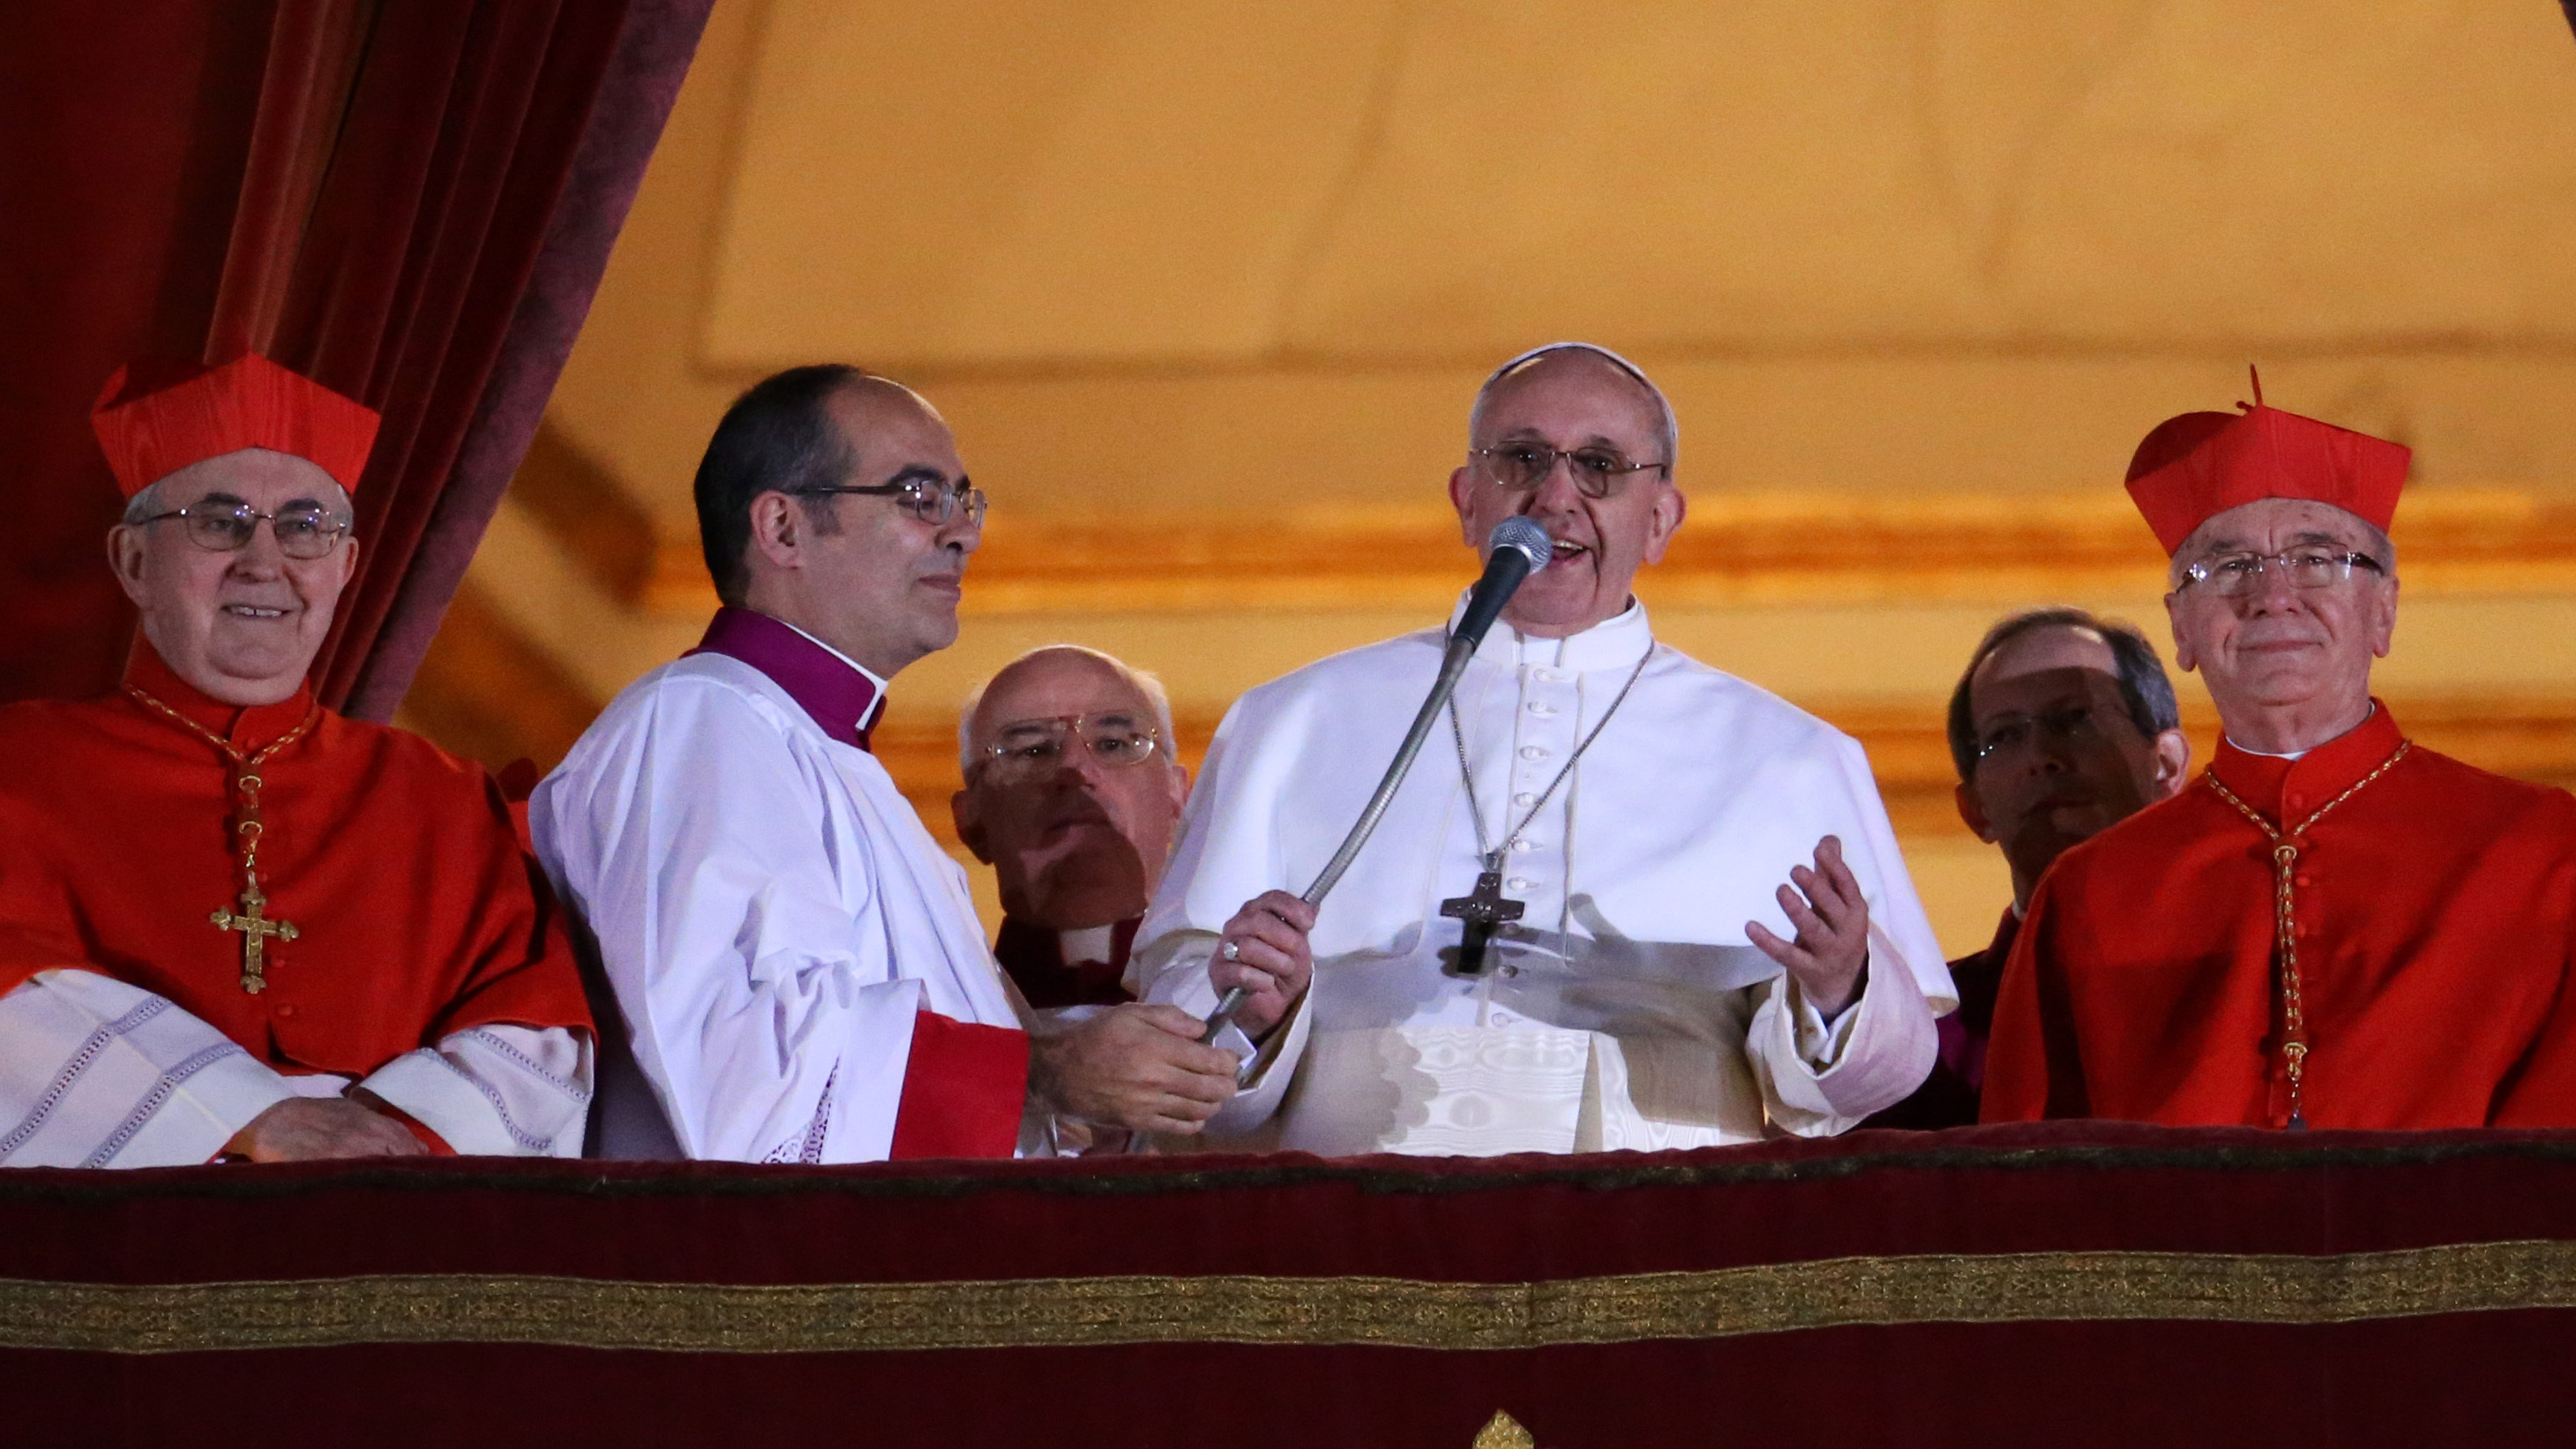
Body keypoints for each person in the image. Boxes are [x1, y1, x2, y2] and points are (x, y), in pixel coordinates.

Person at [1137, 342, 1951, 1155]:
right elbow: (1180, 1030)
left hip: (1663, 1207)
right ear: (1467, 501)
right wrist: (1251, 1013)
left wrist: (1842, 990)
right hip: (1358, 1191)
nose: (1556, 495)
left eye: (1600, 464)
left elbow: (1864, 1084)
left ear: (1662, 518)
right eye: (1523, 458)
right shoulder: (1290, 721)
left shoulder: (1790, 755)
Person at [533, 366, 1247, 1160]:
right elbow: (734, 1069)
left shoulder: (830, 759)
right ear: (782, 528)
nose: (962, 533)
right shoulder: (701, 720)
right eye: (918, 497)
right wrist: (1039, 1073)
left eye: (964, 501)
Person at [1985, 391, 2576, 1130]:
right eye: (2228, 567)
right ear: (2181, 630)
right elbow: (2029, 1189)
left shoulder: (2543, 851)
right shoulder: (2092, 890)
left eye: (2317, 560)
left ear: (2383, 610)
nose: (2272, 595)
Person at [0, 350, 594, 1164]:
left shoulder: (446, 796)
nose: (265, 560)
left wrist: (391, 1139)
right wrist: (246, 1120)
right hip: (116, 1239)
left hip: (390, 1225)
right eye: (219, 521)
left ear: (346, 567)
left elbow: (539, 1023)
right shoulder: (19, 767)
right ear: (133, 562)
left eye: (307, 528)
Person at [1870, 606, 2188, 1130]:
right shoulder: (1918, 1044)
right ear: (1974, 809)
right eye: (2006, 736)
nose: (2042, 756)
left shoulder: (2256, 976)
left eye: (2077, 719)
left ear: (2167, 765)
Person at [952, 642, 1184, 1010]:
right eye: (1033, 750)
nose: (1075, 769)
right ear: (970, 819)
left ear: (1177, 795)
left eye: (1113, 744)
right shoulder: (937, 1010)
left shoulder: (1249, 997)